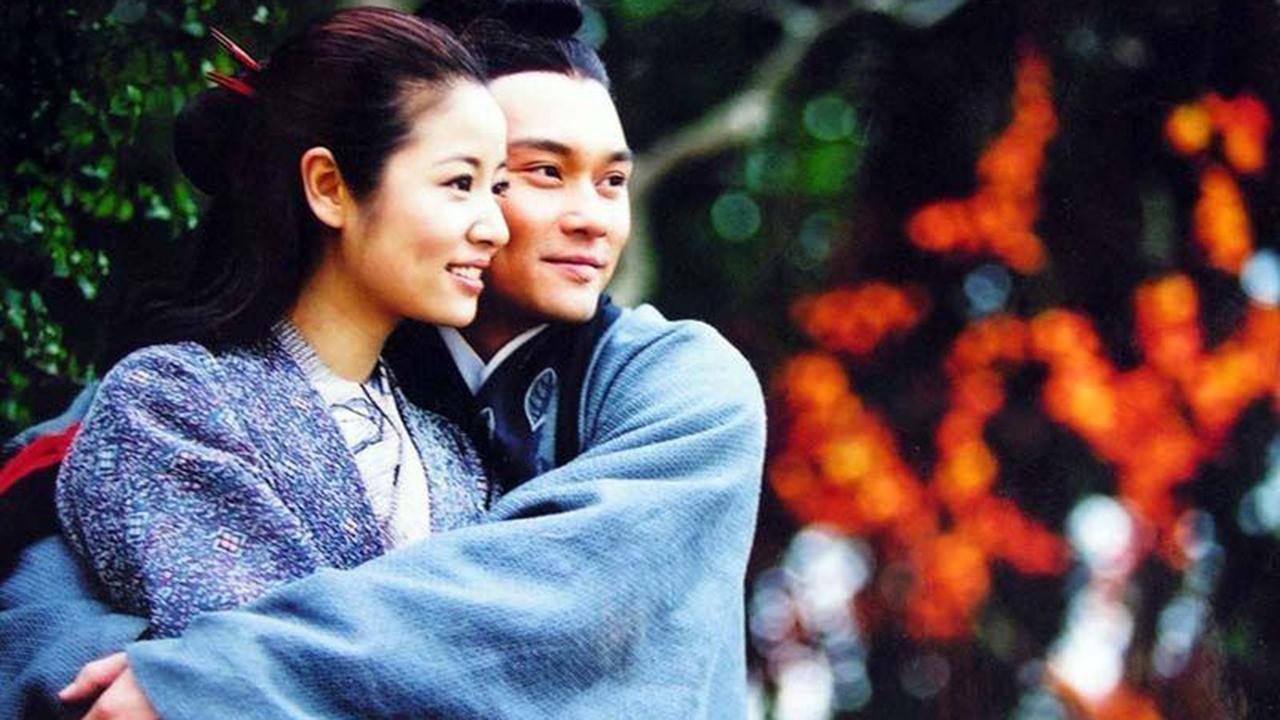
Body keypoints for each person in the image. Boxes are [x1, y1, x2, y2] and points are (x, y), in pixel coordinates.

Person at [0, 1, 765, 717]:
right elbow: (51, 520)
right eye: (528, 174)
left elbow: (574, 594)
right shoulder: (190, 389)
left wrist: (220, 674)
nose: (593, 219)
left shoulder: (678, 383)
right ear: (334, 185)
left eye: (613, 181)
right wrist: (125, 667)